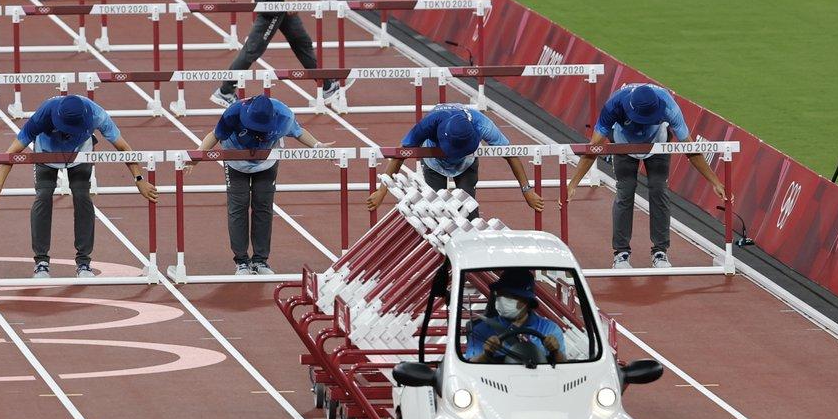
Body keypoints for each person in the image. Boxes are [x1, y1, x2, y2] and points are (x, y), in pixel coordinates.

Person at [0, 93, 157, 278]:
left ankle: (84, 263)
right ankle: (41, 262)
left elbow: (123, 147)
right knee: (43, 196)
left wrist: (139, 180)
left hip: (80, 155)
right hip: (46, 154)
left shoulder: (97, 114)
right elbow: (12, 152)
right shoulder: (43, 115)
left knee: (82, 197)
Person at [565, 82, 728, 270]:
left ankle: (660, 252)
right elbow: (592, 148)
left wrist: (714, 181)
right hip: (623, 143)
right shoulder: (614, 105)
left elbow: (691, 149)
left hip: (657, 144)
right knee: (625, 192)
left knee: (659, 190)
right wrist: (573, 183)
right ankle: (621, 254)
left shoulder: (669, 106)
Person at [196, 94, 326, 275]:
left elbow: (299, 132)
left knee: (263, 207)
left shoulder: (284, 116)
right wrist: (196, 157)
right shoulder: (233, 113)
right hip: (236, 163)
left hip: (267, 163)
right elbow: (215, 135)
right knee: (238, 208)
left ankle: (260, 261)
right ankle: (241, 261)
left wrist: (318, 147)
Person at [365, 104, 546, 215]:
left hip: (466, 164)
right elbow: (400, 154)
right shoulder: (429, 124)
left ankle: (471, 263)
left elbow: (511, 154)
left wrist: (526, 190)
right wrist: (382, 191)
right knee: (435, 212)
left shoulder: (481, 123)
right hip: (434, 163)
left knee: (468, 210)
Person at [462, 269, 565, 365]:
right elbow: (470, 365)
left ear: (527, 301)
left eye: (510, 295)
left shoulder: (549, 329)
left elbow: (564, 367)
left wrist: (555, 351)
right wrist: (486, 353)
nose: (502, 299)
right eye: (500, 294)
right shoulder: (482, 329)